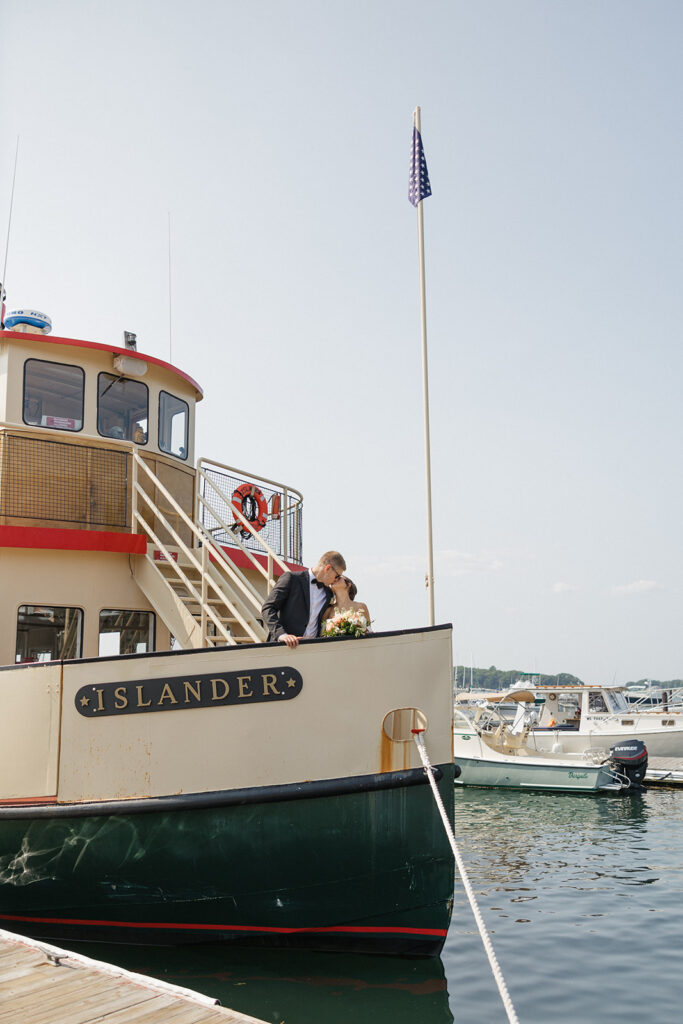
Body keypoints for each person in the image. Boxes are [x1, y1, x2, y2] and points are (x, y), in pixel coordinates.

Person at [261, 550, 346, 649]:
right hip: (285, 647)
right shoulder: (291, 579)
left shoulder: (328, 593)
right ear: (328, 568)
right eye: (337, 576)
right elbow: (268, 608)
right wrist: (282, 635)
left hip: (313, 650)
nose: (336, 580)